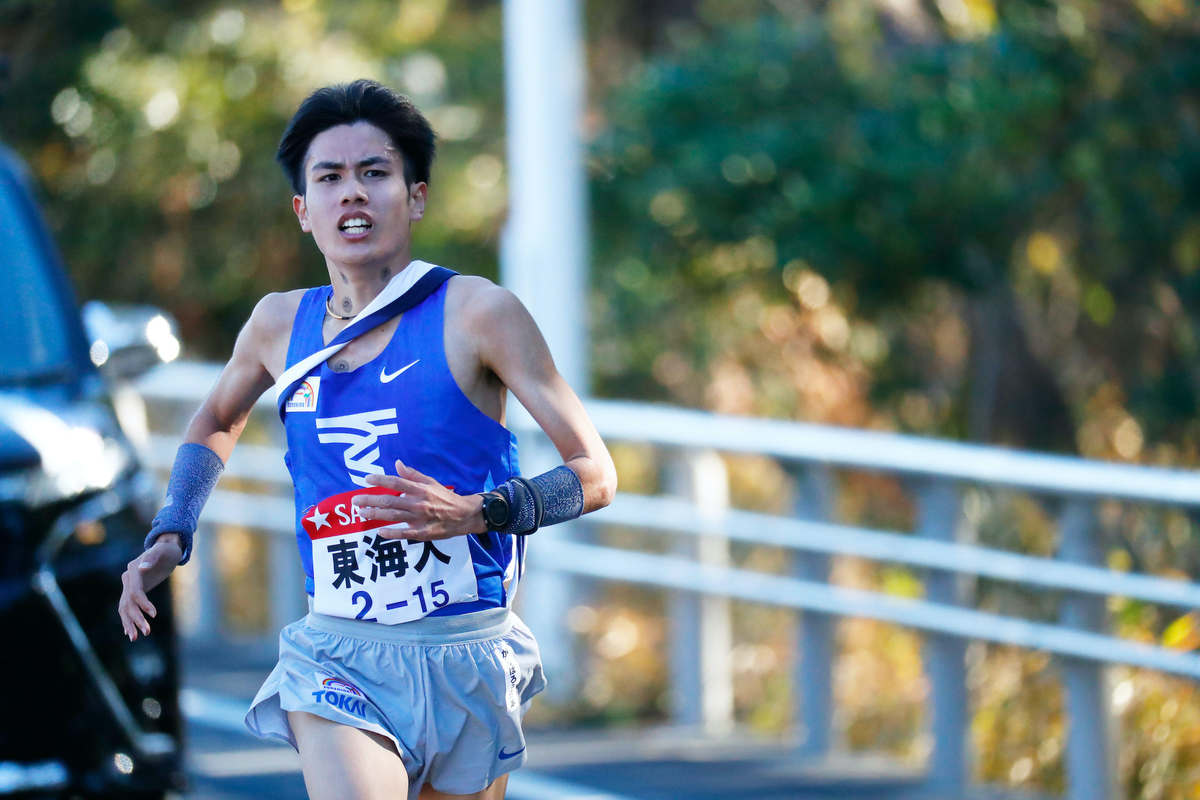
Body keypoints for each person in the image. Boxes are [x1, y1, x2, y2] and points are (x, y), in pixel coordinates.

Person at [117, 79, 617, 800]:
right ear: (303, 210)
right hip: (339, 652)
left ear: (415, 197)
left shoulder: (478, 313)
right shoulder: (275, 325)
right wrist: (174, 527)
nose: (352, 193)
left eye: (375, 173)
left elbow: (596, 473)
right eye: (330, 178)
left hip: (465, 652)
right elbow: (214, 420)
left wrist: (479, 514)